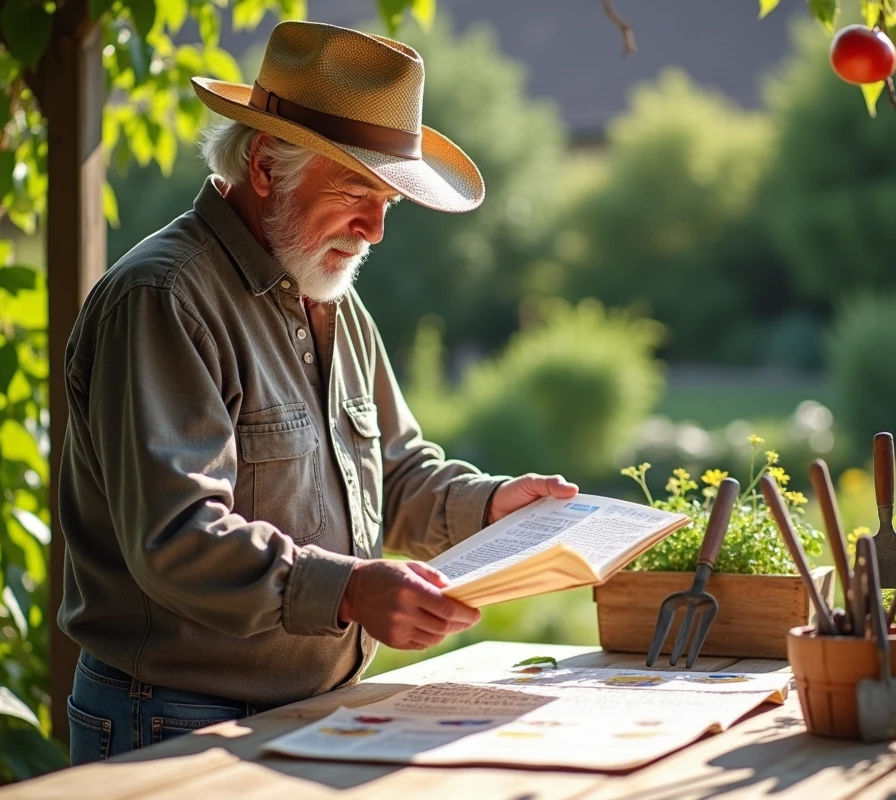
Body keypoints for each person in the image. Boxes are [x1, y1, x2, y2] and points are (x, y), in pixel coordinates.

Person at [57, 20, 579, 764]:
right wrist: (348, 590)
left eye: (388, 203)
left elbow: (392, 472)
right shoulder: (163, 298)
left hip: (312, 709)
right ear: (265, 165)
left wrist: (492, 505)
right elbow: (176, 538)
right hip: (173, 718)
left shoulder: (328, 294)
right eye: (357, 192)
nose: (374, 230)